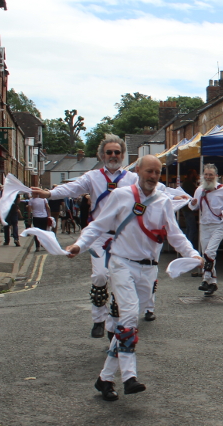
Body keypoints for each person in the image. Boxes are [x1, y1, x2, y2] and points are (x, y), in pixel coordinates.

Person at [66, 156, 202, 402]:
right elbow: (98, 226)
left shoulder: (163, 202)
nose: (153, 176)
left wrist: (193, 254)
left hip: (148, 270)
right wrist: (79, 245)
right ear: (137, 171)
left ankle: (105, 379)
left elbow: (175, 234)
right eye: (149, 171)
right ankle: (129, 376)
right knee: (128, 316)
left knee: (127, 326)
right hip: (121, 264)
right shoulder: (121, 196)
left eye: (157, 173)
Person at [31, 134, 138, 338]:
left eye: (117, 152)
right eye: (109, 152)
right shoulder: (93, 177)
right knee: (100, 276)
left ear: (123, 155)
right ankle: (98, 318)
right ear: (102, 155)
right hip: (98, 235)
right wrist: (48, 194)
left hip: (124, 237)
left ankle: (113, 326)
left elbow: (155, 191)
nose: (113, 155)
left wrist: (178, 196)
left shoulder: (132, 179)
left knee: (119, 283)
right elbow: (71, 188)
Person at [188, 164, 223, 296]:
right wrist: (192, 202)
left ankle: (205, 279)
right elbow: (193, 207)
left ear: (216, 176)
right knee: (206, 254)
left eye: (210, 175)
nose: (208, 177)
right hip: (204, 225)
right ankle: (212, 283)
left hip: (219, 225)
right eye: (206, 174)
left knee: (210, 252)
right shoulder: (199, 190)